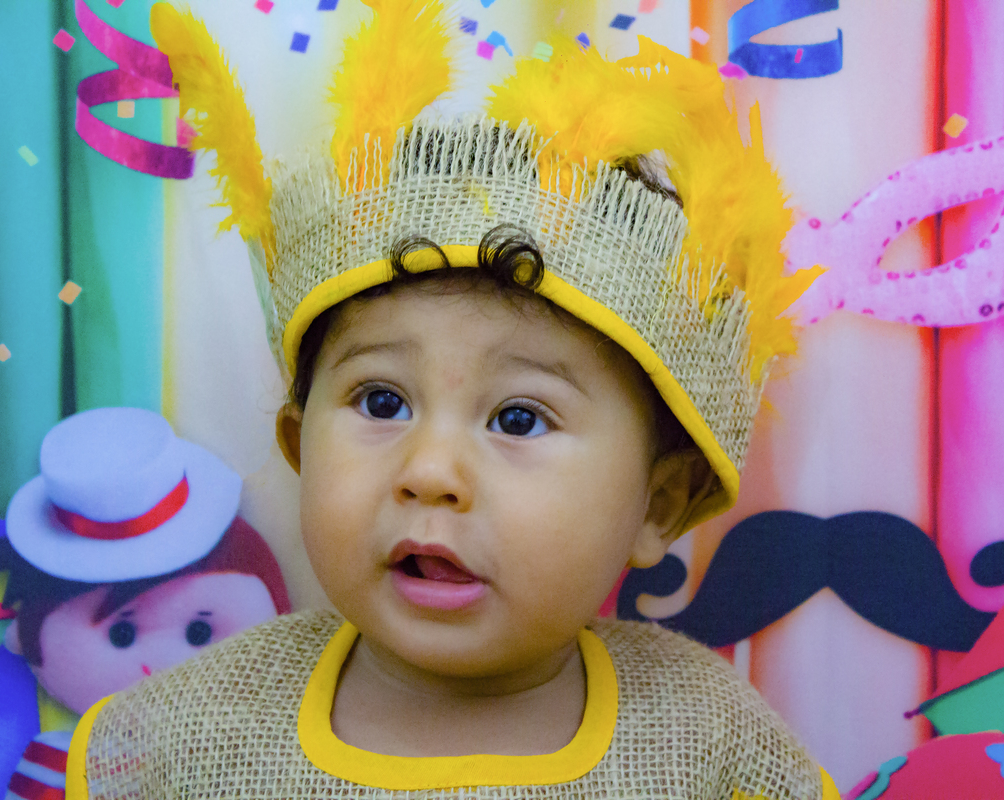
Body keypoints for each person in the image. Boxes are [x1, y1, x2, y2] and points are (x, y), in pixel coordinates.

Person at [67, 2, 837, 798]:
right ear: (299, 448)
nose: (429, 472)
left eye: (518, 419)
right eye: (381, 402)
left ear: (659, 503)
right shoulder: (182, 744)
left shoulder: (711, 747)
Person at [0, 407, 290, 799]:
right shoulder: (61, 761)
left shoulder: (246, 758)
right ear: (21, 636)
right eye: (121, 633)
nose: (162, 667)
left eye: (199, 632)